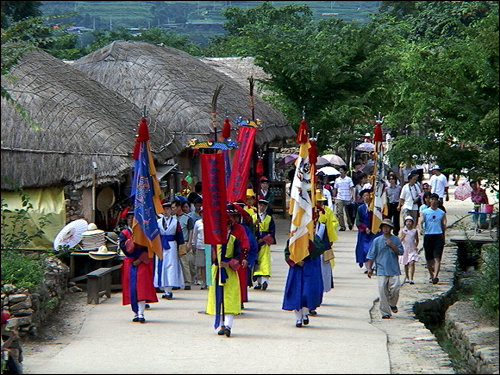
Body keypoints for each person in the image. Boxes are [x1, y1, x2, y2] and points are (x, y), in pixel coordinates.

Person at [205, 205, 243, 337]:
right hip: (217, 272)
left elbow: (238, 255)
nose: (225, 228)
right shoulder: (214, 241)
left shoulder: (233, 240)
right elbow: (210, 257)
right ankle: (221, 324)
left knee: (229, 298)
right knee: (218, 297)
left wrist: (228, 263)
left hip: (229, 272)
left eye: (227, 225)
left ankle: (228, 325)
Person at [119, 209, 158, 323]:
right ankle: (136, 313)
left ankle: (141, 312)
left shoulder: (144, 232)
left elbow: (149, 247)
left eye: (133, 218)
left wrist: (141, 259)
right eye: (130, 218)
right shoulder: (124, 233)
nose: (132, 220)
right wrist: (131, 241)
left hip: (142, 262)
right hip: (130, 262)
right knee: (132, 289)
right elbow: (125, 249)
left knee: (142, 288)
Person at [282, 236, 324, 327]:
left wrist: (309, 243)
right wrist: (296, 260)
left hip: (309, 268)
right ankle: (298, 318)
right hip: (296, 270)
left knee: (307, 293)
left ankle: (305, 313)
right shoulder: (293, 238)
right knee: (296, 294)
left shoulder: (314, 238)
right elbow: (287, 253)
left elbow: (320, 249)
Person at [366, 219, 404, 319]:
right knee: (382, 291)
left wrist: (392, 246)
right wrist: (369, 268)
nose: (385, 229)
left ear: (391, 228)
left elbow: (401, 252)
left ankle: (392, 303)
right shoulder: (377, 241)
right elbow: (371, 255)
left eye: (387, 227)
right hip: (381, 269)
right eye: (384, 227)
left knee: (395, 288)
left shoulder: (395, 240)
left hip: (393, 269)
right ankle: (385, 312)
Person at [154, 201, 185, 299]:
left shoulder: (176, 222)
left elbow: (180, 236)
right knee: (161, 266)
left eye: (168, 209)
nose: (166, 211)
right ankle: (163, 287)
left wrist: (181, 249)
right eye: (164, 209)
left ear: (171, 210)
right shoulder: (158, 222)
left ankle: (169, 290)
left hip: (171, 245)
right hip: (161, 245)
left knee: (171, 266)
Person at [420, 193, 447, 285]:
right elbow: (421, 221)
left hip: (438, 235)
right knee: (429, 259)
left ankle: (436, 276)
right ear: (429, 200)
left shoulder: (441, 212)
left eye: (435, 200)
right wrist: (421, 228)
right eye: (432, 199)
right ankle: (431, 275)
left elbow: (443, 225)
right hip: (428, 235)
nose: (434, 201)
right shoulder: (425, 212)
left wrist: (444, 237)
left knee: (437, 258)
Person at [354, 189, 381, 271]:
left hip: (374, 231)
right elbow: (358, 221)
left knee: (374, 248)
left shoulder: (375, 207)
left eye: (368, 195)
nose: (366, 197)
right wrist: (365, 228)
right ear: (362, 198)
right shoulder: (360, 208)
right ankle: (367, 267)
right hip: (364, 232)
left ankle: (374, 266)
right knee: (364, 249)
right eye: (365, 196)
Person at [252, 198, 276, 290]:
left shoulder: (269, 219)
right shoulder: (254, 217)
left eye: (263, 206)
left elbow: (272, 232)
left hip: (265, 243)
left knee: (265, 262)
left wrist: (264, 239)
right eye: (260, 205)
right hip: (255, 242)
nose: (261, 207)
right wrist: (254, 224)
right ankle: (258, 282)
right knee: (256, 262)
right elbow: (249, 230)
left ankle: (265, 281)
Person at [172, 199, 195, 290]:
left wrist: (189, 243)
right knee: (174, 262)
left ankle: (187, 281)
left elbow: (190, 231)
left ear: (178, 207)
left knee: (184, 262)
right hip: (174, 242)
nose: (172, 209)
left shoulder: (187, 218)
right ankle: (175, 282)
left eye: (174, 207)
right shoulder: (172, 218)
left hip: (183, 242)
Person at [332, 165, 355, 231]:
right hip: (339, 197)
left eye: (342, 171)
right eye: (340, 171)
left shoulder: (349, 179)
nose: (340, 172)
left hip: (347, 198)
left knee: (348, 213)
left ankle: (350, 223)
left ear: (345, 171)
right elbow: (335, 188)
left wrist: (352, 196)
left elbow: (351, 188)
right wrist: (334, 196)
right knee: (339, 212)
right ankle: (342, 226)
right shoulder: (337, 180)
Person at [399, 216, 419, 284]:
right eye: (407, 221)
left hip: (412, 248)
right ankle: (407, 277)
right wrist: (403, 236)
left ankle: (411, 278)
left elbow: (417, 239)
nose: (408, 223)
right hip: (405, 248)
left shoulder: (414, 231)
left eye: (410, 221)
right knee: (406, 263)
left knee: (412, 263)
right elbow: (400, 240)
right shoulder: (403, 230)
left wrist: (416, 246)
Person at [191, 207, 207, 290]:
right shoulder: (198, 223)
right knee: (201, 265)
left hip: (209, 246)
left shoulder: (210, 222)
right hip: (200, 246)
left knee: (209, 265)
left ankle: (209, 281)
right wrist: (193, 244)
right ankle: (203, 282)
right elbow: (195, 234)